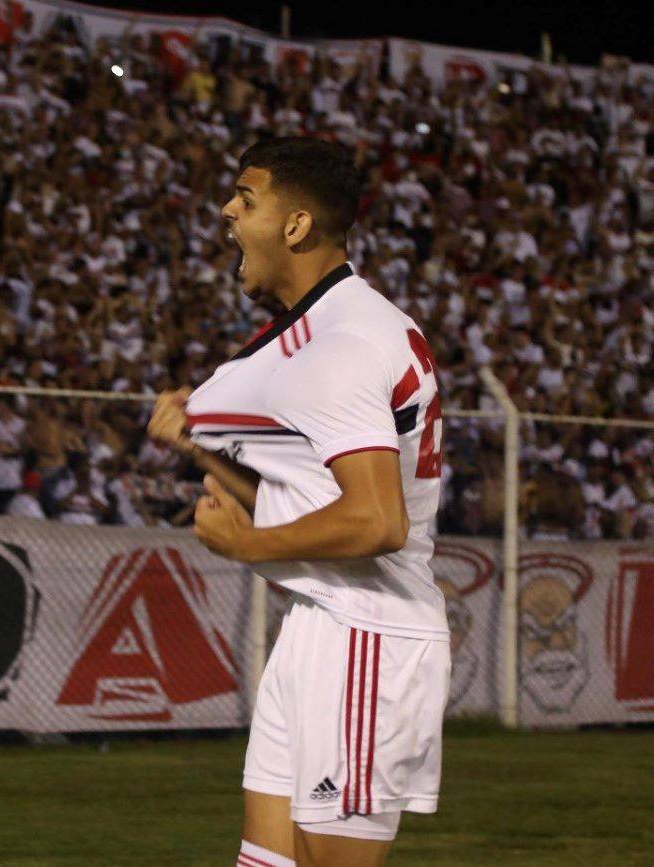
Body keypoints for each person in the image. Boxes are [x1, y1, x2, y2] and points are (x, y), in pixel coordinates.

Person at [147, 138, 449, 867]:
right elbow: (316, 502)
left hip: (366, 632)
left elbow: (376, 520)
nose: (227, 212)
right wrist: (198, 447)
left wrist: (247, 545)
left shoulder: (341, 344)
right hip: (323, 624)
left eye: (246, 200)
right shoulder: (336, 327)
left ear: (296, 226)